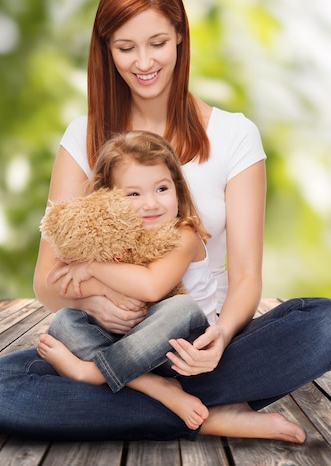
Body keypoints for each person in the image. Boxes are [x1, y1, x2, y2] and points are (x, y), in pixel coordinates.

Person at [0, 0, 331, 443]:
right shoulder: (83, 138)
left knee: (327, 322)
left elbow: (247, 275)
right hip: (110, 340)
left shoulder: (235, 136)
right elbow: (47, 282)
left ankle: (148, 395)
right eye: (125, 48)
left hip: (199, 344)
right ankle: (207, 414)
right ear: (106, 51)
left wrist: (222, 338)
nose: (144, 62)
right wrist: (92, 302)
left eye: (157, 43)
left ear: (179, 40)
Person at [37, 130, 217, 430]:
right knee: (63, 322)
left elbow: (151, 287)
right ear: (108, 200)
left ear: (177, 189)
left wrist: (93, 268)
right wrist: (98, 288)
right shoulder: (112, 239)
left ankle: (93, 374)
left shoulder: (184, 234)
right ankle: (150, 386)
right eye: (133, 194)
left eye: (161, 189)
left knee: (181, 307)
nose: (151, 204)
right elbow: (58, 281)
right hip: (133, 351)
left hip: (182, 351)